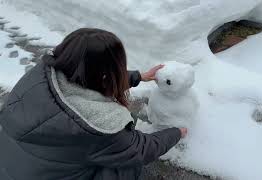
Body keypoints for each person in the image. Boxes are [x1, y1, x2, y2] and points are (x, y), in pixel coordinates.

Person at [0, 28, 187, 180]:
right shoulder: (97, 126)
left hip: (10, 165)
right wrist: (176, 133)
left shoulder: (42, 75)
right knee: (127, 166)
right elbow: (141, 149)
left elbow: (90, 77)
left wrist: (138, 76)